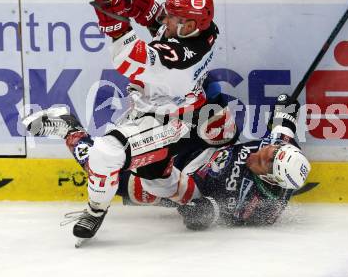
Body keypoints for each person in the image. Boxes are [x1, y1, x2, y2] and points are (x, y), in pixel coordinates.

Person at [23, 0, 237, 246]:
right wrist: (137, 5)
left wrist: (114, 22)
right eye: (170, 15)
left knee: (106, 155)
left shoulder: (181, 59)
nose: (166, 20)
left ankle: (94, 206)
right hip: (163, 109)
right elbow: (157, 20)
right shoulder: (202, 28)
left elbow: (128, 59)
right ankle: (195, 203)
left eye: (173, 18)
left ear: (190, 25)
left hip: (170, 120)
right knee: (154, 177)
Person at [118, 94, 310, 230]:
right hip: (205, 149)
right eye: (272, 150)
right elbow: (285, 116)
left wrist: (201, 213)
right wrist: (287, 108)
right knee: (216, 114)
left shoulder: (252, 203)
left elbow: (207, 214)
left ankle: (88, 152)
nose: (260, 153)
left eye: (264, 162)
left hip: (186, 179)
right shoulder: (282, 149)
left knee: (139, 183)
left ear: (269, 179)